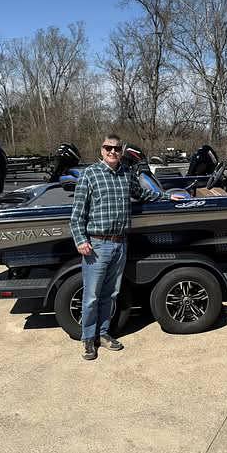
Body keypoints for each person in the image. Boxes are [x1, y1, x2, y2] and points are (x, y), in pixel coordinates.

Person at [70, 134, 182, 360]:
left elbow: (142, 193)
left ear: (122, 152)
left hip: (120, 244)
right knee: (91, 296)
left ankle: (103, 334)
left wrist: (167, 196)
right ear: (101, 150)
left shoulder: (126, 174)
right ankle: (88, 339)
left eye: (117, 148)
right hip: (97, 245)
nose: (112, 152)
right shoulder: (90, 174)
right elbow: (77, 214)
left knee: (111, 294)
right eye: (108, 148)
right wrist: (81, 240)